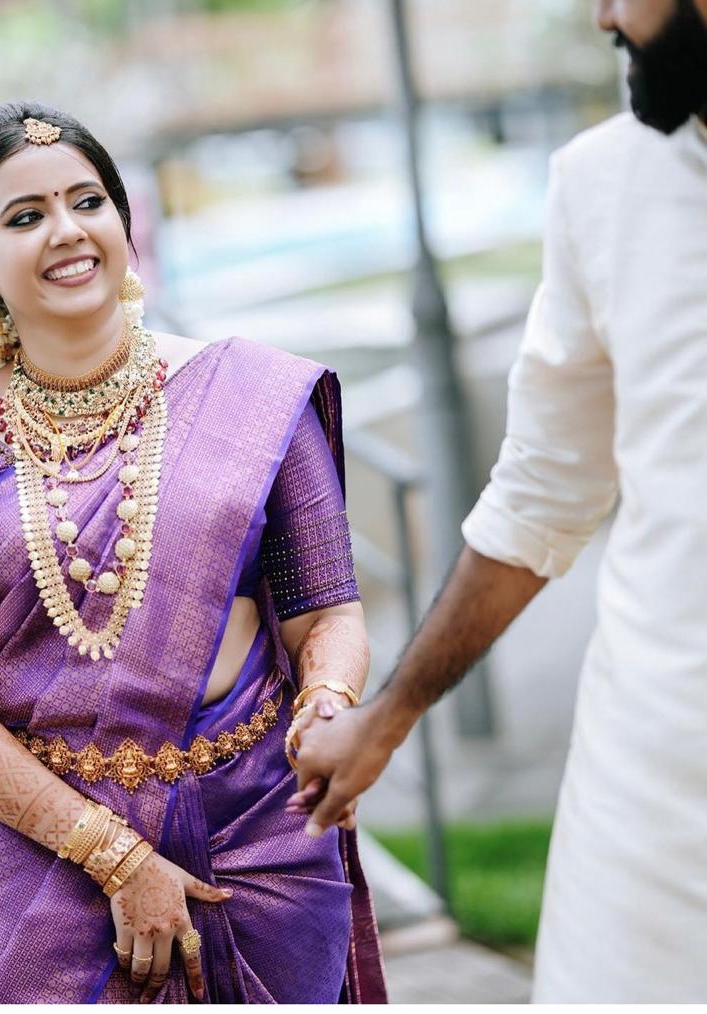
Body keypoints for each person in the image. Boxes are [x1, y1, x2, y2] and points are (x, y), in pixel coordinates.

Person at [0, 100, 387, 1004]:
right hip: (46, 864)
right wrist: (115, 858)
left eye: (88, 201)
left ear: (124, 221)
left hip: (262, 830)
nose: (67, 232)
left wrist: (330, 702)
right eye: (26, 216)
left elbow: (328, 613)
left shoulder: (255, 394)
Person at [287, 0, 707, 1002]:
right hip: (650, 783)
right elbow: (538, 496)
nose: (602, 15)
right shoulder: (598, 187)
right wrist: (389, 716)